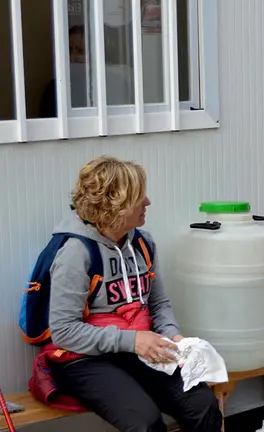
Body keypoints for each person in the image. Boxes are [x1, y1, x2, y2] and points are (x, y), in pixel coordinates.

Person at [43, 156, 222, 431]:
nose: (147, 202)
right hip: (84, 359)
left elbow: (158, 303)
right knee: (145, 422)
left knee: (203, 406)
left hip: (137, 349)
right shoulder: (75, 253)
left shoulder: (142, 243)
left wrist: (175, 336)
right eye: (140, 196)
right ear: (115, 204)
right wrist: (133, 340)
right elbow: (64, 331)